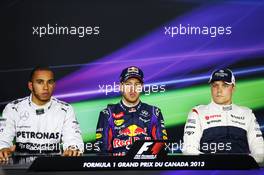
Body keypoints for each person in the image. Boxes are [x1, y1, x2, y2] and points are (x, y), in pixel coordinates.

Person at [0, 66, 84, 161]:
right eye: (40, 82)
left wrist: (72, 149)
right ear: (31, 86)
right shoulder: (12, 108)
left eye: (50, 82)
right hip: (21, 168)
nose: (45, 87)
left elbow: (73, 139)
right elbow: (2, 138)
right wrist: (3, 148)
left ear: (54, 85)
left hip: (53, 167)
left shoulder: (65, 109)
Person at [183, 68, 264, 163]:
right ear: (211, 88)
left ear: (233, 88)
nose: (219, 91)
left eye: (225, 85)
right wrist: (214, 164)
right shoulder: (197, 113)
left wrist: (243, 163)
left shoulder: (247, 114)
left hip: (241, 170)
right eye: (215, 85)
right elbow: (189, 150)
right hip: (209, 171)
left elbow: (259, 149)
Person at [95, 66, 168, 156]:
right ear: (121, 86)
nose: (132, 89)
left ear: (141, 87)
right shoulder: (107, 114)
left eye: (137, 84)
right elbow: (103, 153)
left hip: (146, 167)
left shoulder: (154, 112)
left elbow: (161, 148)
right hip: (116, 168)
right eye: (128, 84)